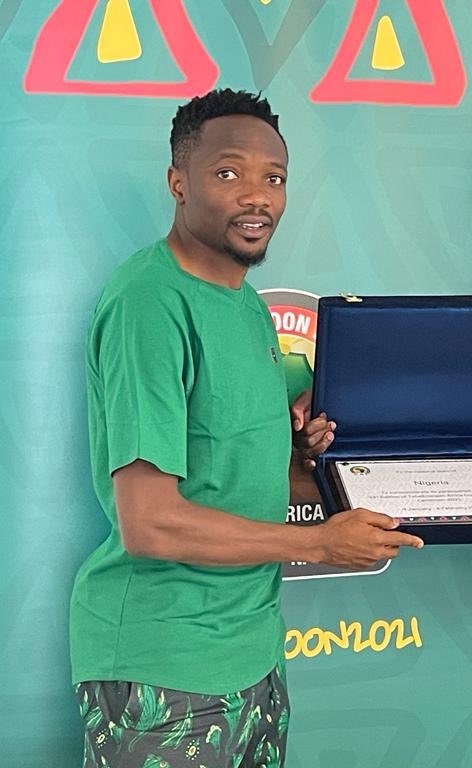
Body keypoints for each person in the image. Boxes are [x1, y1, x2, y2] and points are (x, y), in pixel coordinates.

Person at [70, 89, 423, 768]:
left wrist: (448, 482)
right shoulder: (150, 302)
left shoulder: (247, 308)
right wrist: (320, 544)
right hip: (163, 664)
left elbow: (253, 475)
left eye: (274, 178)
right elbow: (151, 522)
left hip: (253, 654)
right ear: (179, 182)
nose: (256, 197)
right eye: (228, 173)